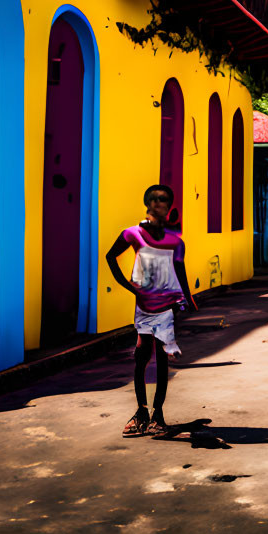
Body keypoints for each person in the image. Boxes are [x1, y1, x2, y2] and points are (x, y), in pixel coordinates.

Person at [105, 184, 195, 438]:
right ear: (147, 202)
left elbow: (180, 270)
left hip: (166, 308)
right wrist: (130, 288)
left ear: (169, 206)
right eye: (154, 199)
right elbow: (110, 257)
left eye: (164, 200)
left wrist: (187, 298)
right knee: (141, 358)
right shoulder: (133, 234)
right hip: (144, 307)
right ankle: (141, 412)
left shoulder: (175, 242)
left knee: (162, 360)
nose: (158, 203)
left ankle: (158, 415)